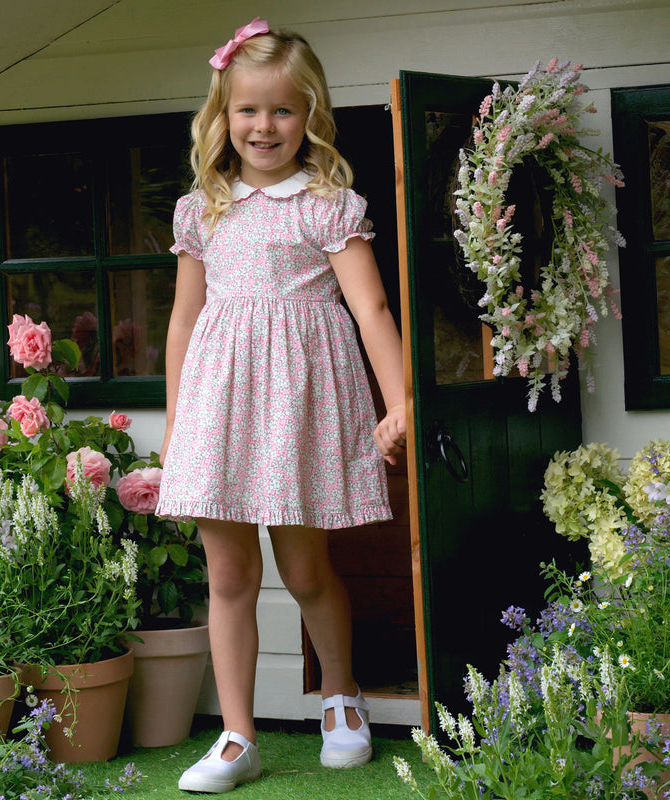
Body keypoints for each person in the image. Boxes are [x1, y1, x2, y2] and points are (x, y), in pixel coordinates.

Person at [155, 17, 407, 794]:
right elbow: (184, 321)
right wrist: (177, 426)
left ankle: (340, 698)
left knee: (304, 568)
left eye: (283, 111)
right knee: (227, 573)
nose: (264, 127)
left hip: (297, 406)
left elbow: (370, 309)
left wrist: (397, 403)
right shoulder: (203, 208)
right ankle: (237, 736)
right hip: (219, 405)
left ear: (311, 116)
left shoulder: (327, 203)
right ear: (223, 116)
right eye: (248, 110)